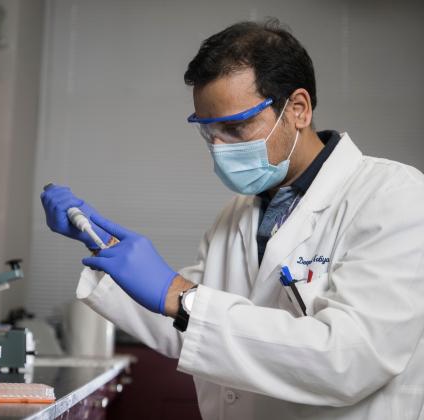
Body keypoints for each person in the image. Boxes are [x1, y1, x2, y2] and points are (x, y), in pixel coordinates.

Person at [40, 20, 424, 420]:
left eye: (236, 127)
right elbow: (192, 329)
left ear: (298, 109)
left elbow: (349, 359)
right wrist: (100, 243)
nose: (219, 148)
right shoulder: (238, 214)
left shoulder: (393, 197)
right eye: (209, 132)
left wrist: (180, 295)